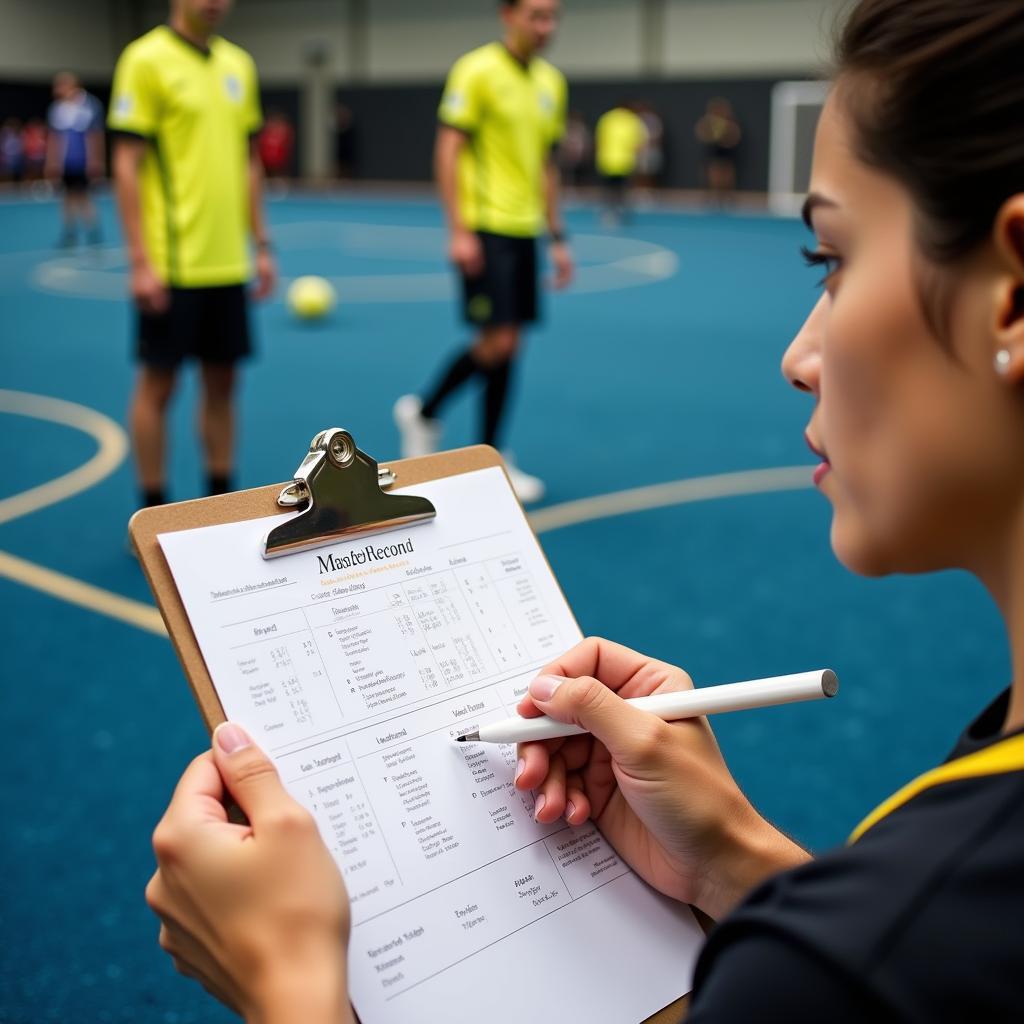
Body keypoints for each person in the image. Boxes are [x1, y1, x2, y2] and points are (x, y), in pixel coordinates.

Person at [145, 1, 1024, 1019]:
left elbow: (875, 969)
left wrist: (289, 983)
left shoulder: (888, 943)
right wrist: (733, 860)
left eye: (829, 258)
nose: (797, 358)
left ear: (1009, 292)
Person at [393, 0, 573, 504]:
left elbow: (545, 165)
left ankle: (490, 453)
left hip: (524, 232)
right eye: (537, 16)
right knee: (496, 343)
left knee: (511, 344)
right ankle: (426, 412)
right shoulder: (476, 71)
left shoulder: (551, 84)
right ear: (508, 14)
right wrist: (459, 230)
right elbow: (448, 149)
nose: (547, 27)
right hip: (485, 227)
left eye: (554, 17)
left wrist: (557, 237)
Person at [108, 0, 275, 513]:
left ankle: (220, 508)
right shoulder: (145, 59)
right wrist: (140, 260)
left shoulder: (239, 65)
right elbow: (127, 164)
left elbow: (249, 163)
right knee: (159, 385)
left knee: (224, 382)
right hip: (171, 265)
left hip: (228, 263)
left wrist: (261, 244)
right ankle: (153, 511)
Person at [45, 72, 105, 247]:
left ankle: (93, 233)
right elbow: (55, 138)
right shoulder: (57, 109)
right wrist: (52, 163)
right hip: (66, 163)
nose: (57, 90)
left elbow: (95, 136)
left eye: (61, 85)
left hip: (83, 162)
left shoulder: (90, 105)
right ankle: (70, 233)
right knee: (67, 197)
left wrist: (96, 161)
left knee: (84, 197)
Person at [594, 101, 647, 225]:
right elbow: (639, 143)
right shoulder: (632, 120)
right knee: (624, 190)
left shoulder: (606, 118)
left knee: (608, 190)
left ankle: (608, 213)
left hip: (606, 160)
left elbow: (599, 139)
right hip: (625, 161)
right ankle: (623, 214)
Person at [694, 97, 741, 205]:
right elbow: (701, 134)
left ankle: (727, 199)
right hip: (713, 155)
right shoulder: (708, 123)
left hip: (727, 155)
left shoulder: (731, 124)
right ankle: (712, 198)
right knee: (713, 177)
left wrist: (724, 137)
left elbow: (734, 139)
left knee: (727, 178)